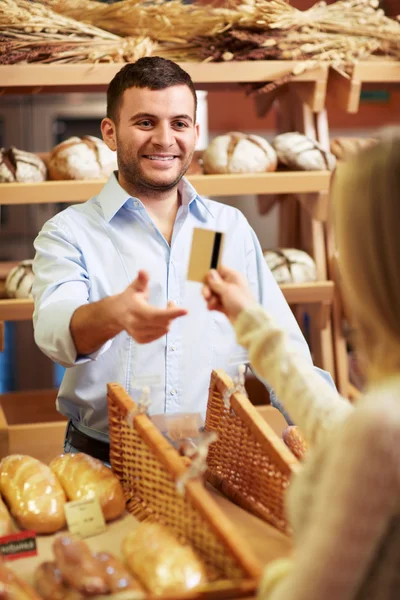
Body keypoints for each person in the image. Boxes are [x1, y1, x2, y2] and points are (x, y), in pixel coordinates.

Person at [32, 56, 332, 463]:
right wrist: (114, 314)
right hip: (105, 463)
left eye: (178, 123)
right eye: (144, 122)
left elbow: (281, 347)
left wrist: (336, 436)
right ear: (110, 132)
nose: (164, 139)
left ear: (195, 131)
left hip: (215, 463)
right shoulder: (70, 232)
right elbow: (54, 331)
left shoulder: (226, 228)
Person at [202, 137, 400, 599]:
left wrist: (271, 581)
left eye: (344, 238)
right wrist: (247, 317)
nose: (337, 257)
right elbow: (335, 424)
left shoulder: (381, 426)